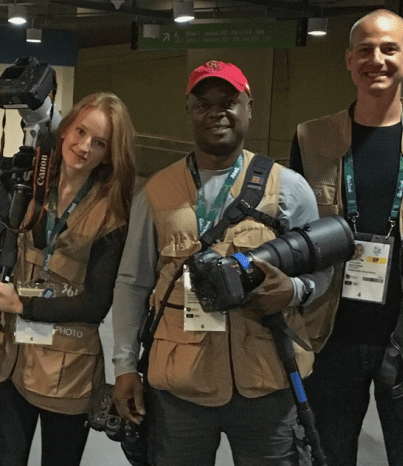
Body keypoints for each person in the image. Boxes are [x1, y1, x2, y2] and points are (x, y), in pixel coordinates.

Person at [111, 60, 330, 466]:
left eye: (229, 102)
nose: (216, 113)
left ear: (249, 107)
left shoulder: (289, 187)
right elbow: (132, 282)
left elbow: (321, 269)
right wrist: (125, 367)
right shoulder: (157, 191)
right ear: (190, 112)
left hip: (267, 377)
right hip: (180, 384)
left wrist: (294, 290)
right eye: (203, 104)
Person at [290, 9, 403, 466]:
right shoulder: (311, 138)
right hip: (329, 336)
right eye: (365, 49)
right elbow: (293, 229)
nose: (377, 59)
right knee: (326, 457)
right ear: (349, 61)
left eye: (389, 48)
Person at [0, 92, 137, 466]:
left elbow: (96, 303)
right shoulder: (32, 183)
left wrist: (22, 304)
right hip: (9, 360)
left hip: (68, 372)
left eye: (99, 143)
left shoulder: (112, 212)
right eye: (81, 132)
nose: (84, 147)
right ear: (65, 129)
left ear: (110, 154)